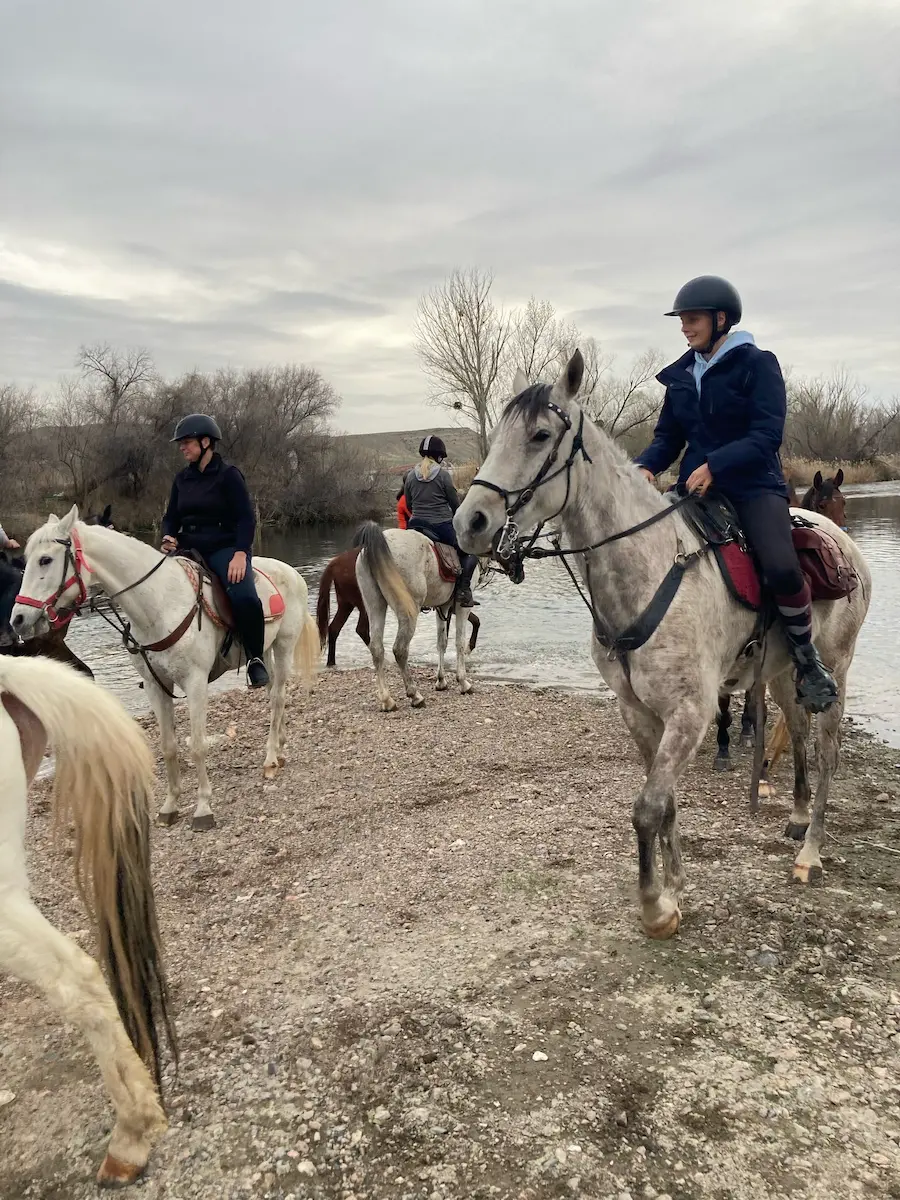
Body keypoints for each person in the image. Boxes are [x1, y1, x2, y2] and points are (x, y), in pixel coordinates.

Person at [634, 275, 838, 713]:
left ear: (720, 319)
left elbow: (767, 434)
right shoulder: (683, 376)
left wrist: (716, 465)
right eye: (682, 321)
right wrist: (643, 467)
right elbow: (668, 438)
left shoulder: (757, 364)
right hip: (693, 488)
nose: (685, 328)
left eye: (692, 320)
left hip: (753, 486)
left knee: (782, 567)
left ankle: (806, 659)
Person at [161, 414, 270, 689]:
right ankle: (162, 660)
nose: (182, 448)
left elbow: (246, 519)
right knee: (157, 590)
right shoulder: (181, 479)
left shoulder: (229, 476)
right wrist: (168, 535)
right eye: (181, 444)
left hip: (224, 548)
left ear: (206, 442)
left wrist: (240, 553)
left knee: (245, 597)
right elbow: (171, 516)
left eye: (186, 442)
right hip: (187, 548)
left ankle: (255, 658)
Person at [403, 434, 478, 608]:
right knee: (468, 552)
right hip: (440, 526)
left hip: (414, 525)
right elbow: (455, 505)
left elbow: (409, 504)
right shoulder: (443, 476)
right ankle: (463, 591)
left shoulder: (410, 476)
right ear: (439, 456)